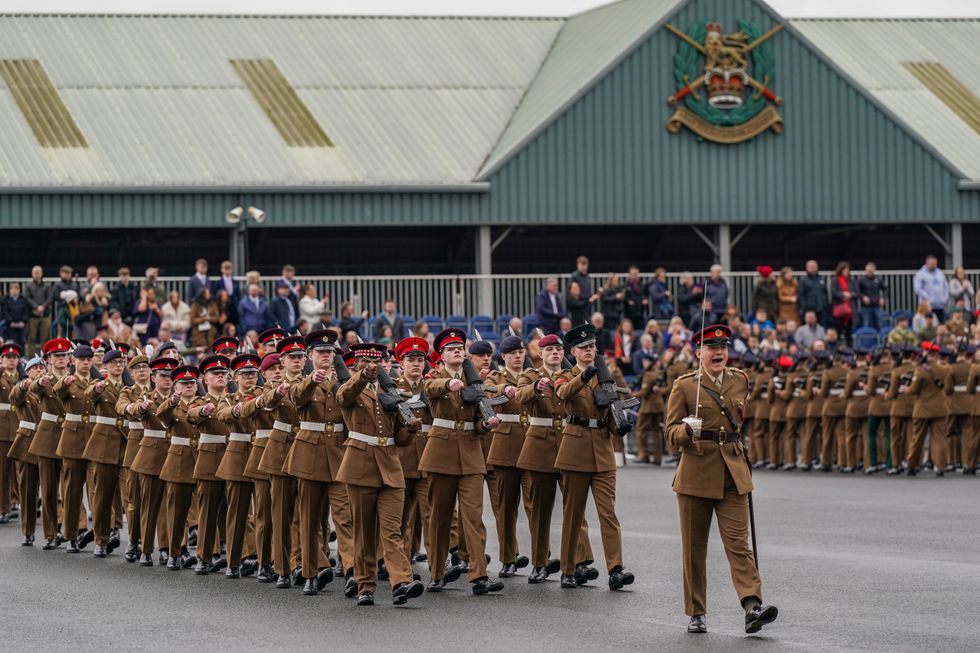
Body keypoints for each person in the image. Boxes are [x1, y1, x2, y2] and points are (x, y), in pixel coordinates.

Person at [664, 324, 777, 634]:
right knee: (694, 549)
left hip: (732, 473)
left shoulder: (740, 380)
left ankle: (752, 606)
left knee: (739, 545)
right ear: (698, 352)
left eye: (723, 348)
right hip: (696, 474)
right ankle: (696, 612)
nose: (719, 353)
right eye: (712, 349)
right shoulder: (685, 386)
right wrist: (686, 431)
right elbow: (669, 433)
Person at [337, 340, 425, 606]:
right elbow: (344, 397)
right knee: (363, 531)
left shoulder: (392, 392)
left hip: (390, 466)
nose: (372, 366)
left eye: (377, 361)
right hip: (360, 466)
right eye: (365, 361)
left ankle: (402, 582)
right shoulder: (349, 388)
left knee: (392, 530)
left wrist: (410, 429)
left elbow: (399, 439)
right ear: (355, 364)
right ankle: (365, 585)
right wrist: (362, 377)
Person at [420, 328, 502, 595]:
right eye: (451, 349)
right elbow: (428, 387)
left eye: (460, 348)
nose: (457, 351)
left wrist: (486, 424)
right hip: (441, 451)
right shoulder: (435, 375)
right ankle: (436, 572)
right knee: (440, 516)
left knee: (473, 517)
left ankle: (478, 574)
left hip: (470, 452)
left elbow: (477, 419)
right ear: (441, 355)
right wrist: (448, 384)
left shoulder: (473, 378)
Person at [554, 323, 634, 591]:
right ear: (573, 351)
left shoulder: (605, 376)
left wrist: (619, 421)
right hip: (575, 448)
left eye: (592, 347)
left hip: (602, 447)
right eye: (584, 348)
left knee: (608, 513)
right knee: (573, 514)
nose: (590, 351)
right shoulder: (566, 374)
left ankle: (616, 569)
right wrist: (584, 376)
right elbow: (563, 394)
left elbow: (612, 404)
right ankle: (568, 568)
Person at [284, 330, 347, 596]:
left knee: (346, 517)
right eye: (321, 353)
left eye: (330, 353)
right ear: (310, 356)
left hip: (338, 454)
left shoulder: (342, 380)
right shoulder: (300, 380)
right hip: (309, 455)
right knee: (309, 519)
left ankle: (355, 572)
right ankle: (310, 572)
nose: (326, 357)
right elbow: (296, 398)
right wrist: (312, 379)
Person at [485, 336, 533, 578]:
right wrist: (505, 388)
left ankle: (541, 559)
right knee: (506, 509)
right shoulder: (496, 376)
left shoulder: (532, 376)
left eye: (521, 352)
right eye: (512, 353)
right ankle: (507, 558)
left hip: (532, 446)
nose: (518, 356)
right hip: (505, 448)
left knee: (535, 507)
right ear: (503, 357)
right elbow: (488, 388)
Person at [124, 355, 174, 567]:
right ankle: (143, 547)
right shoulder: (142, 396)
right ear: (154, 378)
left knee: (168, 505)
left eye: (171, 376)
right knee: (145, 503)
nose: (168, 380)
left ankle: (166, 548)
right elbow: (131, 409)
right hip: (149, 454)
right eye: (163, 376)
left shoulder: (179, 396)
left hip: (173, 454)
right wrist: (140, 408)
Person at [157, 363, 202, 570]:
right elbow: (162, 417)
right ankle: (175, 551)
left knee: (204, 510)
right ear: (176, 386)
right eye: (184, 383)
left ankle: (206, 554)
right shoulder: (171, 405)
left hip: (202, 459)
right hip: (179, 460)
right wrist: (172, 401)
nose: (189, 386)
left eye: (192, 382)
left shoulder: (204, 402)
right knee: (177, 511)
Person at [53, 344, 96, 553]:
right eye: (82, 360)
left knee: (97, 490)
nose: (86, 363)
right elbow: (57, 391)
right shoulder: (68, 382)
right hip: (72, 441)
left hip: (94, 441)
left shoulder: (97, 382)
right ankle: (70, 535)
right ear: (74, 361)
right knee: (72, 491)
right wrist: (65, 381)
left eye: (89, 359)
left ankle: (100, 536)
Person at [635, 352, 666, 464]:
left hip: (648, 406)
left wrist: (632, 394)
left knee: (640, 429)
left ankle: (644, 455)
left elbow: (644, 392)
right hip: (658, 405)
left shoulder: (648, 375)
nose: (644, 363)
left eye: (645, 361)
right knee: (656, 431)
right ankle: (658, 457)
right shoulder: (658, 372)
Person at [24, 266, 53, 357]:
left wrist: (43, 307)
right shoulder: (28, 286)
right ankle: (31, 358)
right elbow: (27, 298)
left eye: (38, 272)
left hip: (45, 314)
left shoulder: (47, 285)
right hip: (32, 315)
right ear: (32, 274)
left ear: (42, 274)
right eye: (35, 273)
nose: (37, 275)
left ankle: (45, 357)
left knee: (45, 338)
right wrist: (36, 307)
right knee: (31, 338)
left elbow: (50, 298)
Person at [914, 255, 949, 323]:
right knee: (928, 325)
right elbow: (917, 289)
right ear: (927, 263)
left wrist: (945, 298)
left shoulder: (940, 273)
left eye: (935, 264)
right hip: (927, 306)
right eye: (932, 264)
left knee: (940, 325)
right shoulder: (920, 274)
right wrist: (928, 298)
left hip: (939, 305)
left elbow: (945, 287)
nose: (934, 265)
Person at [856, 262, 887, 330]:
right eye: (868, 271)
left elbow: (886, 289)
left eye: (871, 271)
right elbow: (857, 292)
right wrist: (863, 297)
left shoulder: (878, 279)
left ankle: (881, 340)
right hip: (865, 307)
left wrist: (883, 298)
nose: (869, 272)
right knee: (866, 325)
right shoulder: (861, 280)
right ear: (865, 270)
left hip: (877, 306)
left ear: (874, 270)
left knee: (880, 325)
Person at [829, 261, 855, 343]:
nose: (846, 272)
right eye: (844, 270)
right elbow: (833, 292)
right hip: (839, 310)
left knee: (849, 333)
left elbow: (857, 292)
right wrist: (843, 295)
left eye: (847, 270)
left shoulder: (851, 281)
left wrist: (851, 295)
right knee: (838, 331)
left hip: (849, 311)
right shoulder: (835, 280)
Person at [799, 260, 829, 324]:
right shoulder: (803, 280)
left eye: (814, 266)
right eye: (811, 267)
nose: (813, 268)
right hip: (809, 310)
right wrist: (805, 308)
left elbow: (825, 293)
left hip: (821, 309)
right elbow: (801, 295)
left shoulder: (821, 279)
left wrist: (826, 305)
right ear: (807, 268)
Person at [1, 282, 30, 349]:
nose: (14, 290)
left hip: (21, 324)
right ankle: (10, 356)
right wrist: (10, 322)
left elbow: (26, 311)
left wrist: (23, 321)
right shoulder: (5, 299)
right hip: (9, 325)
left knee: (22, 341)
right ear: (9, 290)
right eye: (12, 288)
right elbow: (5, 312)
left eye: (16, 288)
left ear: (19, 289)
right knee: (11, 341)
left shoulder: (23, 299)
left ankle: (22, 356)